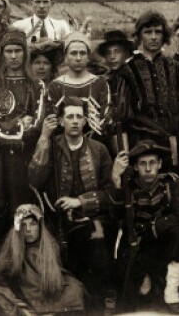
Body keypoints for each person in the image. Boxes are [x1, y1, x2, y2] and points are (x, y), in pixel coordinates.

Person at [28, 97, 117, 312]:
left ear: (86, 120)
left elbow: (110, 193)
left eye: (79, 116)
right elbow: (34, 179)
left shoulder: (99, 149)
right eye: (70, 117)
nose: (75, 121)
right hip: (58, 221)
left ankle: (97, 304)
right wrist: (43, 137)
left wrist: (80, 201)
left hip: (93, 218)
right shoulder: (50, 145)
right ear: (61, 121)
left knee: (98, 248)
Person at [0, 30, 46, 258]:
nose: (13, 56)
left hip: (24, 159)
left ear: (25, 54)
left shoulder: (37, 86)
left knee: (23, 210)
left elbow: (36, 121)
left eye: (18, 51)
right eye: (9, 51)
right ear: (2, 54)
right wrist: (15, 126)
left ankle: (26, 265)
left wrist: (4, 126)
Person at [113, 140, 179, 314]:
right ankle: (146, 279)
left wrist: (154, 227)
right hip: (139, 245)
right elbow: (117, 215)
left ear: (159, 164)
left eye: (152, 163)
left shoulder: (170, 183)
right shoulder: (129, 187)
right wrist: (116, 179)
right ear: (135, 167)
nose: (148, 169)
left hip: (164, 244)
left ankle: (172, 292)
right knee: (133, 298)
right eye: (142, 164)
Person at [0, 204, 86, 316]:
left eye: (33, 224)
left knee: (75, 290)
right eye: (23, 225)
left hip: (45, 293)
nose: (28, 229)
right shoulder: (11, 247)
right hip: (21, 295)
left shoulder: (50, 246)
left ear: (40, 226)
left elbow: (57, 277)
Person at [118, 11, 179, 172]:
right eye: (148, 32)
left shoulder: (176, 68)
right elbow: (123, 120)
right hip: (141, 146)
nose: (154, 37)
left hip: (171, 145)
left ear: (165, 35)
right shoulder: (127, 71)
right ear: (140, 36)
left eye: (158, 32)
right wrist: (126, 158)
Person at [46, 32, 110, 137]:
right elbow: (52, 121)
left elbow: (106, 117)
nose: (78, 58)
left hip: (95, 141)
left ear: (88, 57)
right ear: (65, 57)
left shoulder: (100, 83)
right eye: (73, 53)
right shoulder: (55, 86)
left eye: (82, 53)